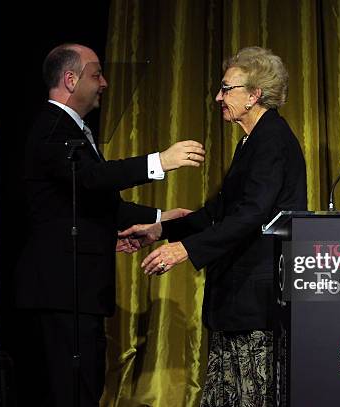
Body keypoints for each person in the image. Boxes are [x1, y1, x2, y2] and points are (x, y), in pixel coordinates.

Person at [13, 43, 204, 406]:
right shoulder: (53, 128)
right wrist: (159, 161)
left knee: (87, 386)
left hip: (78, 292)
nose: (104, 83)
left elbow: (103, 204)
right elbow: (92, 178)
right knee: (72, 392)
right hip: (61, 288)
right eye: (96, 74)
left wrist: (161, 219)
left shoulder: (72, 128)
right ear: (70, 79)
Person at [120, 46, 307, 407]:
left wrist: (185, 250)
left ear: (254, 95)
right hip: (237, 301)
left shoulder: (272, 140)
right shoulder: (252, 141)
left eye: (227, 88)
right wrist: (159, 230)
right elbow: (217, 211)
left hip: (257, 304)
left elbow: (252, 214)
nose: (218, 97)